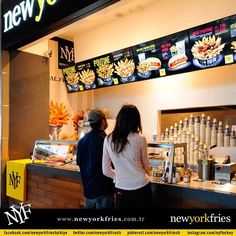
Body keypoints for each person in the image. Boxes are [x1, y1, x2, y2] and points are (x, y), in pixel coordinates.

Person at [102, 104, 152, 209]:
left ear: (119, 119)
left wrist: (119, 175)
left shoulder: (108, 139)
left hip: (121, 188)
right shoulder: (140, 138)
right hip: (141, 186)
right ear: (136, 120)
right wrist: (147, 174)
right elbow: (146, 165)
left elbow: (106, 171)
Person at [76, 108, 114, 209]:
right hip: (104, 191)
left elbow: (79, 163)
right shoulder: (107, 141)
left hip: (88, 191)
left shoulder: (82, 141)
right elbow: (113, 164)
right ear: (102, 121)